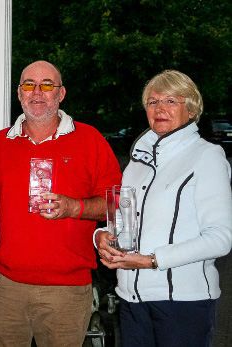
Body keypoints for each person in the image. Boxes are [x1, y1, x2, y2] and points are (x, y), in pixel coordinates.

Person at [0, 60, 122, 347]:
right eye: (29, 85)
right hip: (6, 285)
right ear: (19, 93)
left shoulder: (90, 140)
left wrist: (74, 208)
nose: (37, 92)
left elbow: (116, 201)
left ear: (61, 93)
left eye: (47, 85)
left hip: (67, 289)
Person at [95, 70, 232, 346]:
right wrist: (101, 237)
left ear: (191, 110)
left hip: (183, 305)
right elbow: (123, 222)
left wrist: (151, 261)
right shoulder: (137, 162)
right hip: (131, 299)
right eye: (153, 101)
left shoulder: (207, 156)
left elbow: (220, 239)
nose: (160, 109)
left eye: (171, 101)